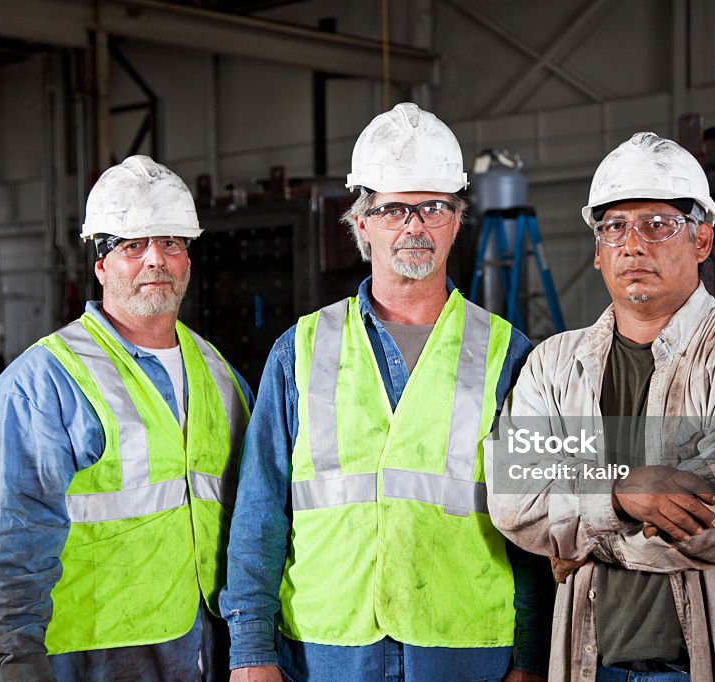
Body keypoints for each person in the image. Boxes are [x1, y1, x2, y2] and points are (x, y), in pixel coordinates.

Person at [222, 102, 553, 682]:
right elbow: (260, 511)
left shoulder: (510, 354)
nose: (414, 226)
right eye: (394, 209)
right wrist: (251, 648)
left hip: (467, 647)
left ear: (457, 220)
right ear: (361, 223)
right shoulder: (299, 350)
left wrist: (530, 653)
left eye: (433, 207)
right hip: (326, 649)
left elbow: (533, 522)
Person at [485, 132, 715, 681]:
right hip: (593, 665)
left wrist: (581, 538)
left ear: (701, 239)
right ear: (597, 252)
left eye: (657, 224)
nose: (633, 244)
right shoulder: (553, 364)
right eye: (614, 227)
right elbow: (514, 499)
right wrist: (623, 493)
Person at [0, 155, 254, 681]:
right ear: (100, 264)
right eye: (132, 246)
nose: (155, 261)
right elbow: (12, 551)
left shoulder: (221, 375)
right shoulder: (45, 384)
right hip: (91, 659)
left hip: (208, 651)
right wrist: (17, 666)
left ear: (188, 258)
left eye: (171, 243)